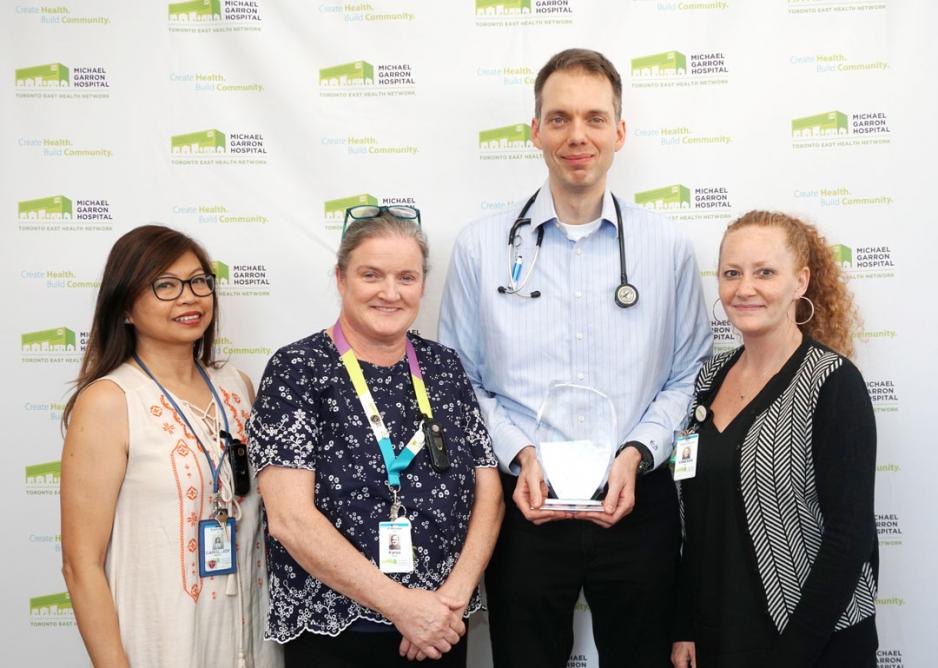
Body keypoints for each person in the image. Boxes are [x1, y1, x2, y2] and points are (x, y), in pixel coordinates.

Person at [439, 48, 713, 667]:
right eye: (559, 118)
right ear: (535, 131)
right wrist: (521, 453)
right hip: (523, 508)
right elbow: (460, 380)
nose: (577, 135)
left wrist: (638, 451)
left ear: (619, 131)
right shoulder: (482, 247)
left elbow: (689, 373)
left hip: (636, 502)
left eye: (595, 118)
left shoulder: (667, 246)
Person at [247, 207, 503, 667]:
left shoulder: (444, 368)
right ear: (341, 278)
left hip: (441, 627)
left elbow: (490, 495)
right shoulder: (297, 370)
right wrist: (403, 607)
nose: (390, 292)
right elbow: (290, 520)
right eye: (371, 275)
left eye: (406, 277)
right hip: (335, 633)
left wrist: (452, 599)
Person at [60, 225, 281, 667]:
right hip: (160, 644)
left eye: (199, 281)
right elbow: (79, 564)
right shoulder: (110, 400)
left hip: (252, 641)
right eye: (165, 285)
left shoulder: (237, 386)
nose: (190, 297)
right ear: (125, 306)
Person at [670, 211, 878, 668]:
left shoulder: (833, 383)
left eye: (765, 272)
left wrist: (795, 652)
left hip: (814, 644)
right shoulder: (706, 381)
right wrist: (684, 624)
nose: (745, 288)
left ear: (800, 281)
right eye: (732, 273)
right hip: (719, 637)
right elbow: (694, 522)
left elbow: (850, 536)